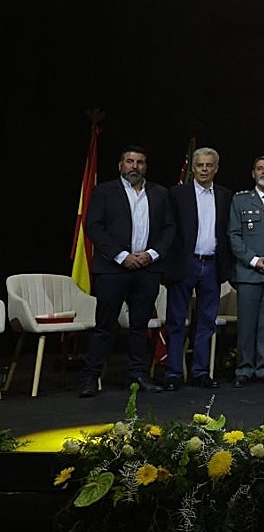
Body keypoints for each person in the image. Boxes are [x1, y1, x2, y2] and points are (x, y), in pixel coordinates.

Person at [80, 145, 176, 397]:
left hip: (147, 269)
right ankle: (91, 378)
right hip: (113, 269)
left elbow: (169, 228)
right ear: (120, 165)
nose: (135, 166)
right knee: (104, 325)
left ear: (146, 166)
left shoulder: (160, 193)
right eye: (130, 161)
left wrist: (151, 254)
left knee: (139, 326)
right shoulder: (104, 192)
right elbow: (94, 227)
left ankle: (138, 376)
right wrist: (122, 257)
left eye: (140, 162)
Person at [162, 146, 233, 391]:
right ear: (193, 169)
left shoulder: (225, 195)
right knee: (176, 320)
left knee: (206, 321)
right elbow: (168, 230)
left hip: (212, 264)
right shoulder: (177, 194)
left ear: (216, 168)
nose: (204, 169)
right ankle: (173, 372)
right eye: (200, 165)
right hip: (185, 264)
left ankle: (200, 372)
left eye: (208, 165)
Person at [227, 155, 264, 388]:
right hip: (249, 272)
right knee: (247, 324)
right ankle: (244, 368)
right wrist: (253, 260)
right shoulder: (240, 201)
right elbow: (234, 235)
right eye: (260, 169)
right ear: (253, 173)